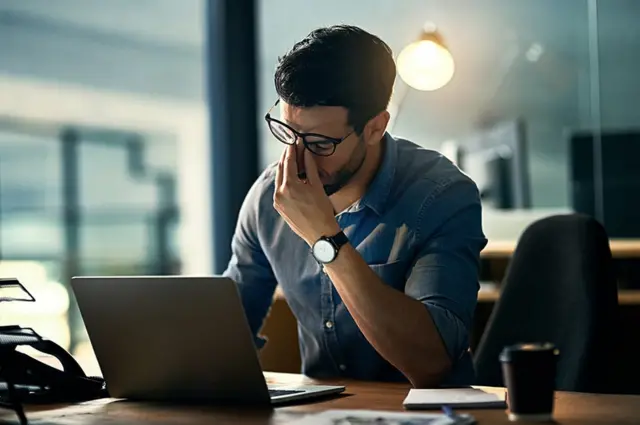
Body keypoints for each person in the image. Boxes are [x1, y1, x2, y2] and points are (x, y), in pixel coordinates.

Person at [223, 24, 487, 388]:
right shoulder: (270, 195)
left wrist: (324, 238)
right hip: (318, 413)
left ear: (375, 128)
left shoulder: (441, 195)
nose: (298, 159)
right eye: (289, 133)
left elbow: (432, 363)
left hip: (424, 414)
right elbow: (226, 330)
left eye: (319, 143)